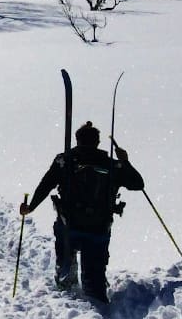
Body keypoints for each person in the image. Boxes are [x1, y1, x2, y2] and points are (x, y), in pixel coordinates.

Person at [19, 121, 144, 303]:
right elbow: (138, 184)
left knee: (65, 272)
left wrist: (30, 207)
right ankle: (96, 299)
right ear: (98, 142)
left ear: (77, 141)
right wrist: (125, 162)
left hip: (69, 226)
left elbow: (46, 185)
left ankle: (67, 289)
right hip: (99, 228)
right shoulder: (111, 165)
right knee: (94, 278)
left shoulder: (64, 161)